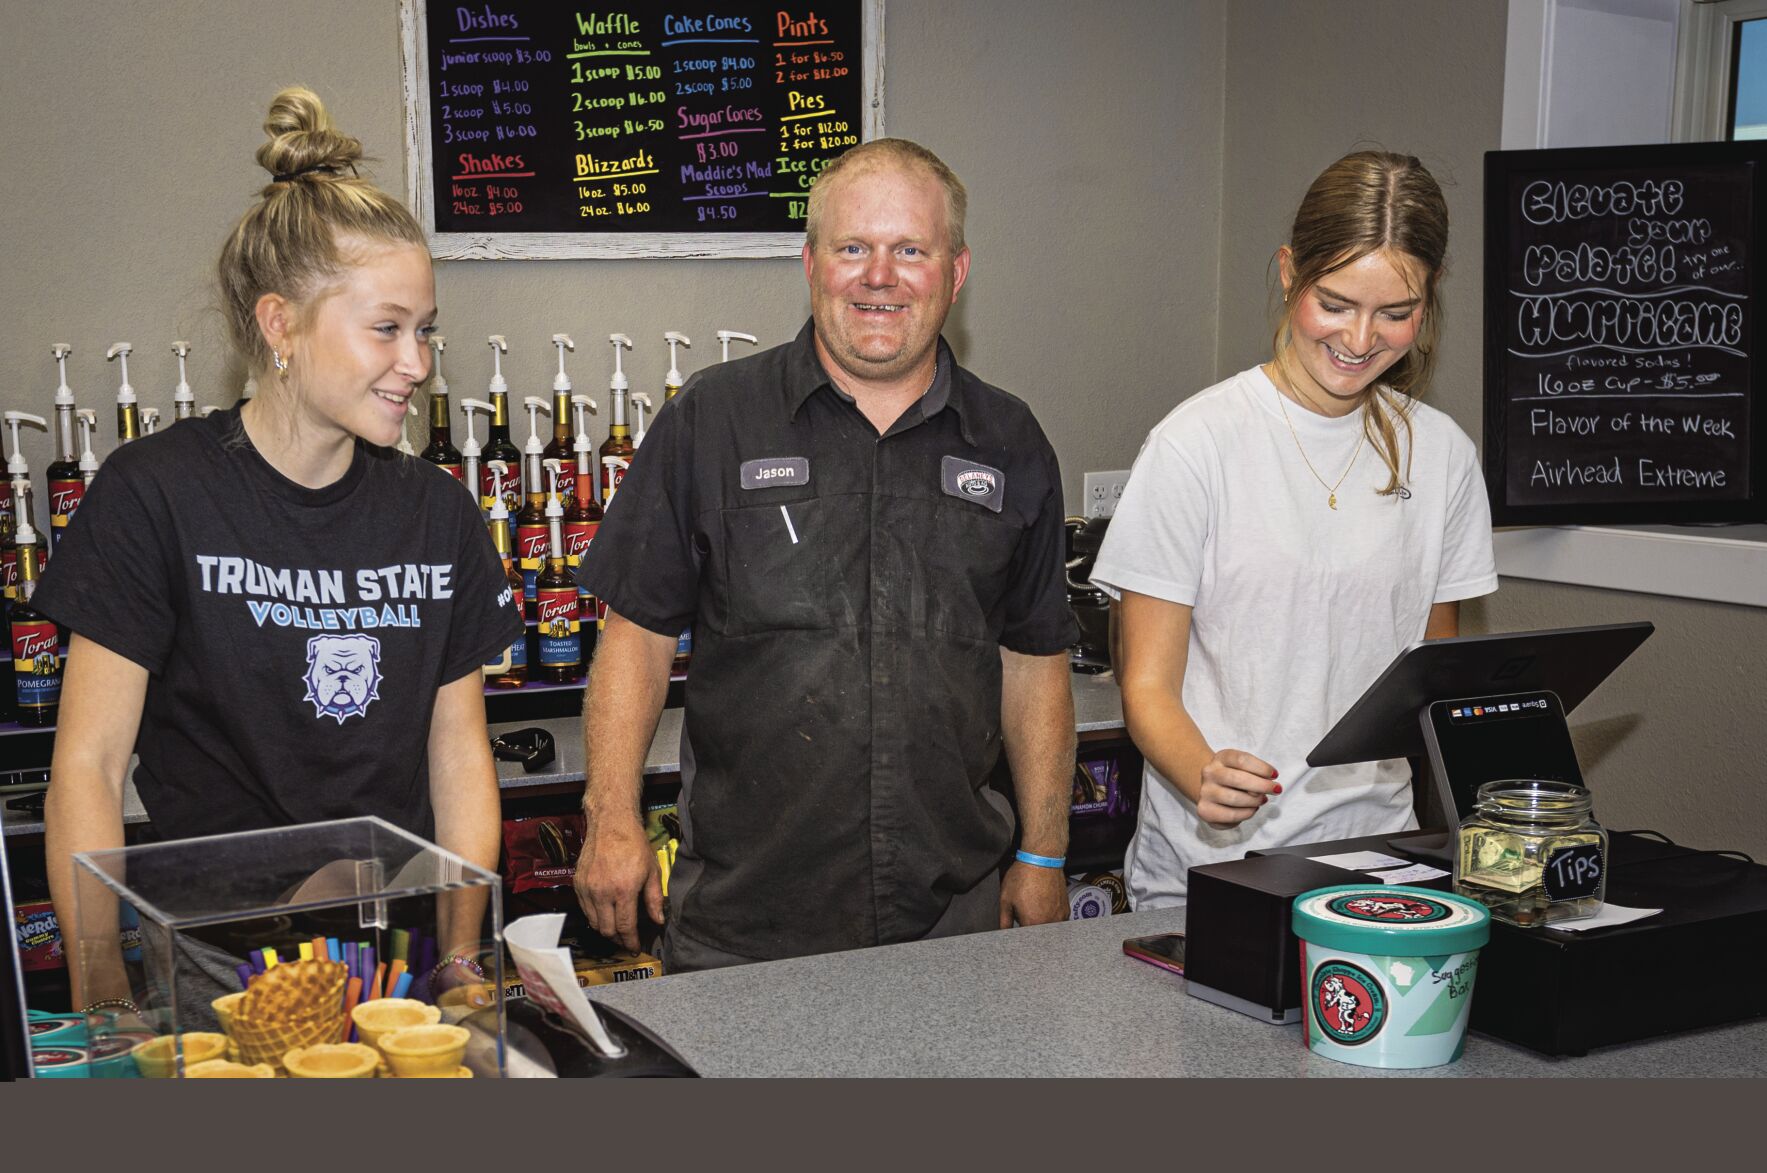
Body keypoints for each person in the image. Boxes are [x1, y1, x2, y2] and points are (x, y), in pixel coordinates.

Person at [39, 87, 522, 1014]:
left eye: (425, 331)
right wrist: (102, 991)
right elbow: (88, 768)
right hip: (215, 971)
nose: (417, 362)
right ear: (279, 325)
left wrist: (462, 957)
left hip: (399, 960)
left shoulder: (439, 514)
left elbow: (458, 756)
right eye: (386, 328)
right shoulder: (156, 493)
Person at [572, 138, 1080, 971]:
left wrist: (1046, 853)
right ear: (811, 264)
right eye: (853, 248)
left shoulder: (1010, 440)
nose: (879, 276)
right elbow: (637, 634)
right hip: (744, 921)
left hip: (953, 922)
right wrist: (612, 816)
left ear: (953, 273)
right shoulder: (714, 418)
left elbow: (1034, 660)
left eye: (909, 250)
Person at [1090, 150, 1497, 908]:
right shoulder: (1196, 443)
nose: (1360, 337)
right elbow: (1144, 683)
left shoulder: (1441, 454)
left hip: (1377, 857)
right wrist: (1200, 771)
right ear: (1288, 273)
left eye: (1395, 312)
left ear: (1430, 297)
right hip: (1213, 867)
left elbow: (1432, 676)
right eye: (1335, 302)